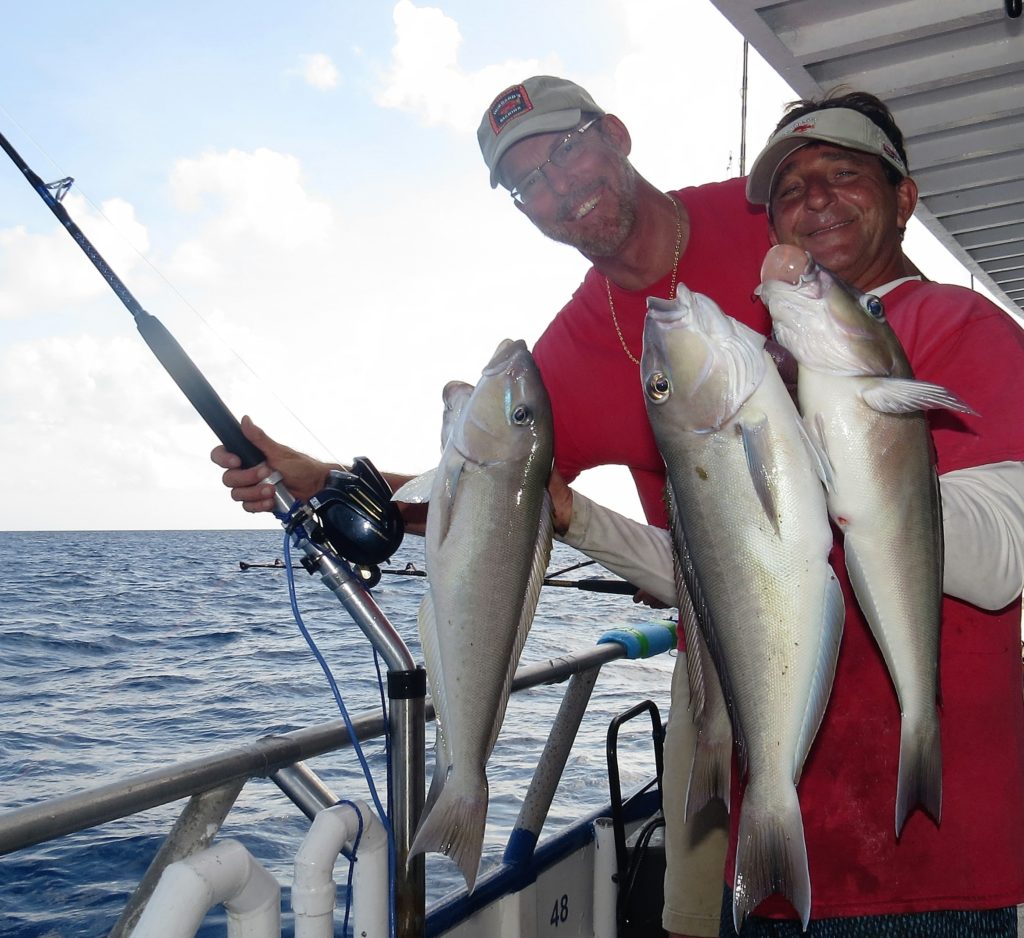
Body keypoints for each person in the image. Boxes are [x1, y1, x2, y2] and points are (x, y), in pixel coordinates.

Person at [214, 74, 775, 938]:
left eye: (563, 150)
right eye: (527, 183)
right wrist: (318, 477)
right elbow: (489, 498)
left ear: (616, 133)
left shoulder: (765, 213)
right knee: (696, 918)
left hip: (872, 625)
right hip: (712, 658)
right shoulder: (573, 348)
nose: (557, 188)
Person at [549, 91, 1024, 936]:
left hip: (926, 870)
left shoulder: (966, 327)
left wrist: (851, 456)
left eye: (845, 175)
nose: (816, 199)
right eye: (793, 189)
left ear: (905, 199)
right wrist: (575, 518)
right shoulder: (760, 373)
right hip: (778, 859)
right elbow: (723, 570)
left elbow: (1002, 566)